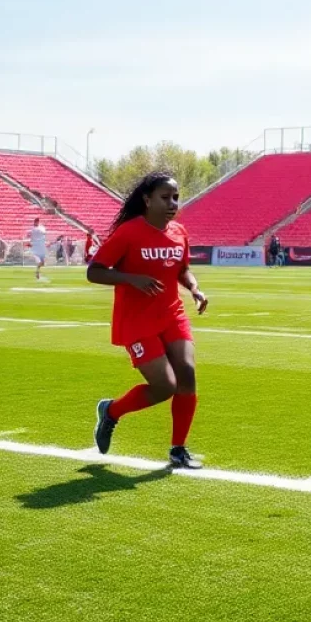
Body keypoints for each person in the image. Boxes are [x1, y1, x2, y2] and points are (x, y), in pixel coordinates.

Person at [89, 172, 208, 469]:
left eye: (176, 197)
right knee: (165, 386)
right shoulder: (129, 233)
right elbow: (95, 271)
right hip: (137, 321)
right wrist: (131, 279)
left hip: (172, 314)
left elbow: (182, 269)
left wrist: (194, 288)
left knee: (188, 375)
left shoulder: (179, 231)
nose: (173, 203)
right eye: (165, 197)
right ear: (147, 199)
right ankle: (111, 411)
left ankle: (178, 449)